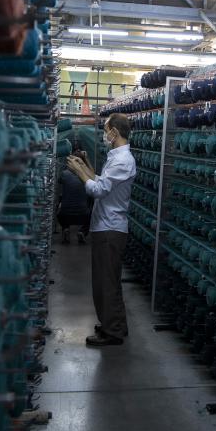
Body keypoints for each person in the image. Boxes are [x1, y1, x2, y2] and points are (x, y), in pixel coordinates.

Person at [65, 113, 136, 347]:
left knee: (105, 283)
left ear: (115, 132)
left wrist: (77, 172)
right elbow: (100, 181)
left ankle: (111, 332)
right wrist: (84, 166)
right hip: (106, 226)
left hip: (110, 228)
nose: (105, 134)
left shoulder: (122, 160)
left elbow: (97, 190)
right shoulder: (116, 158)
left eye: (106, 130)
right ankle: (115, 324)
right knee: (110, 281)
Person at [57, 145, 91, 244]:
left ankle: (65, 229)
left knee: (60, 209)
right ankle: (82, 231)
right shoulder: (87, 176)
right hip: (83, 215)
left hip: (65, 215)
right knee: (91, 213)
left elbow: (60, 182)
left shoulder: (64, 174)